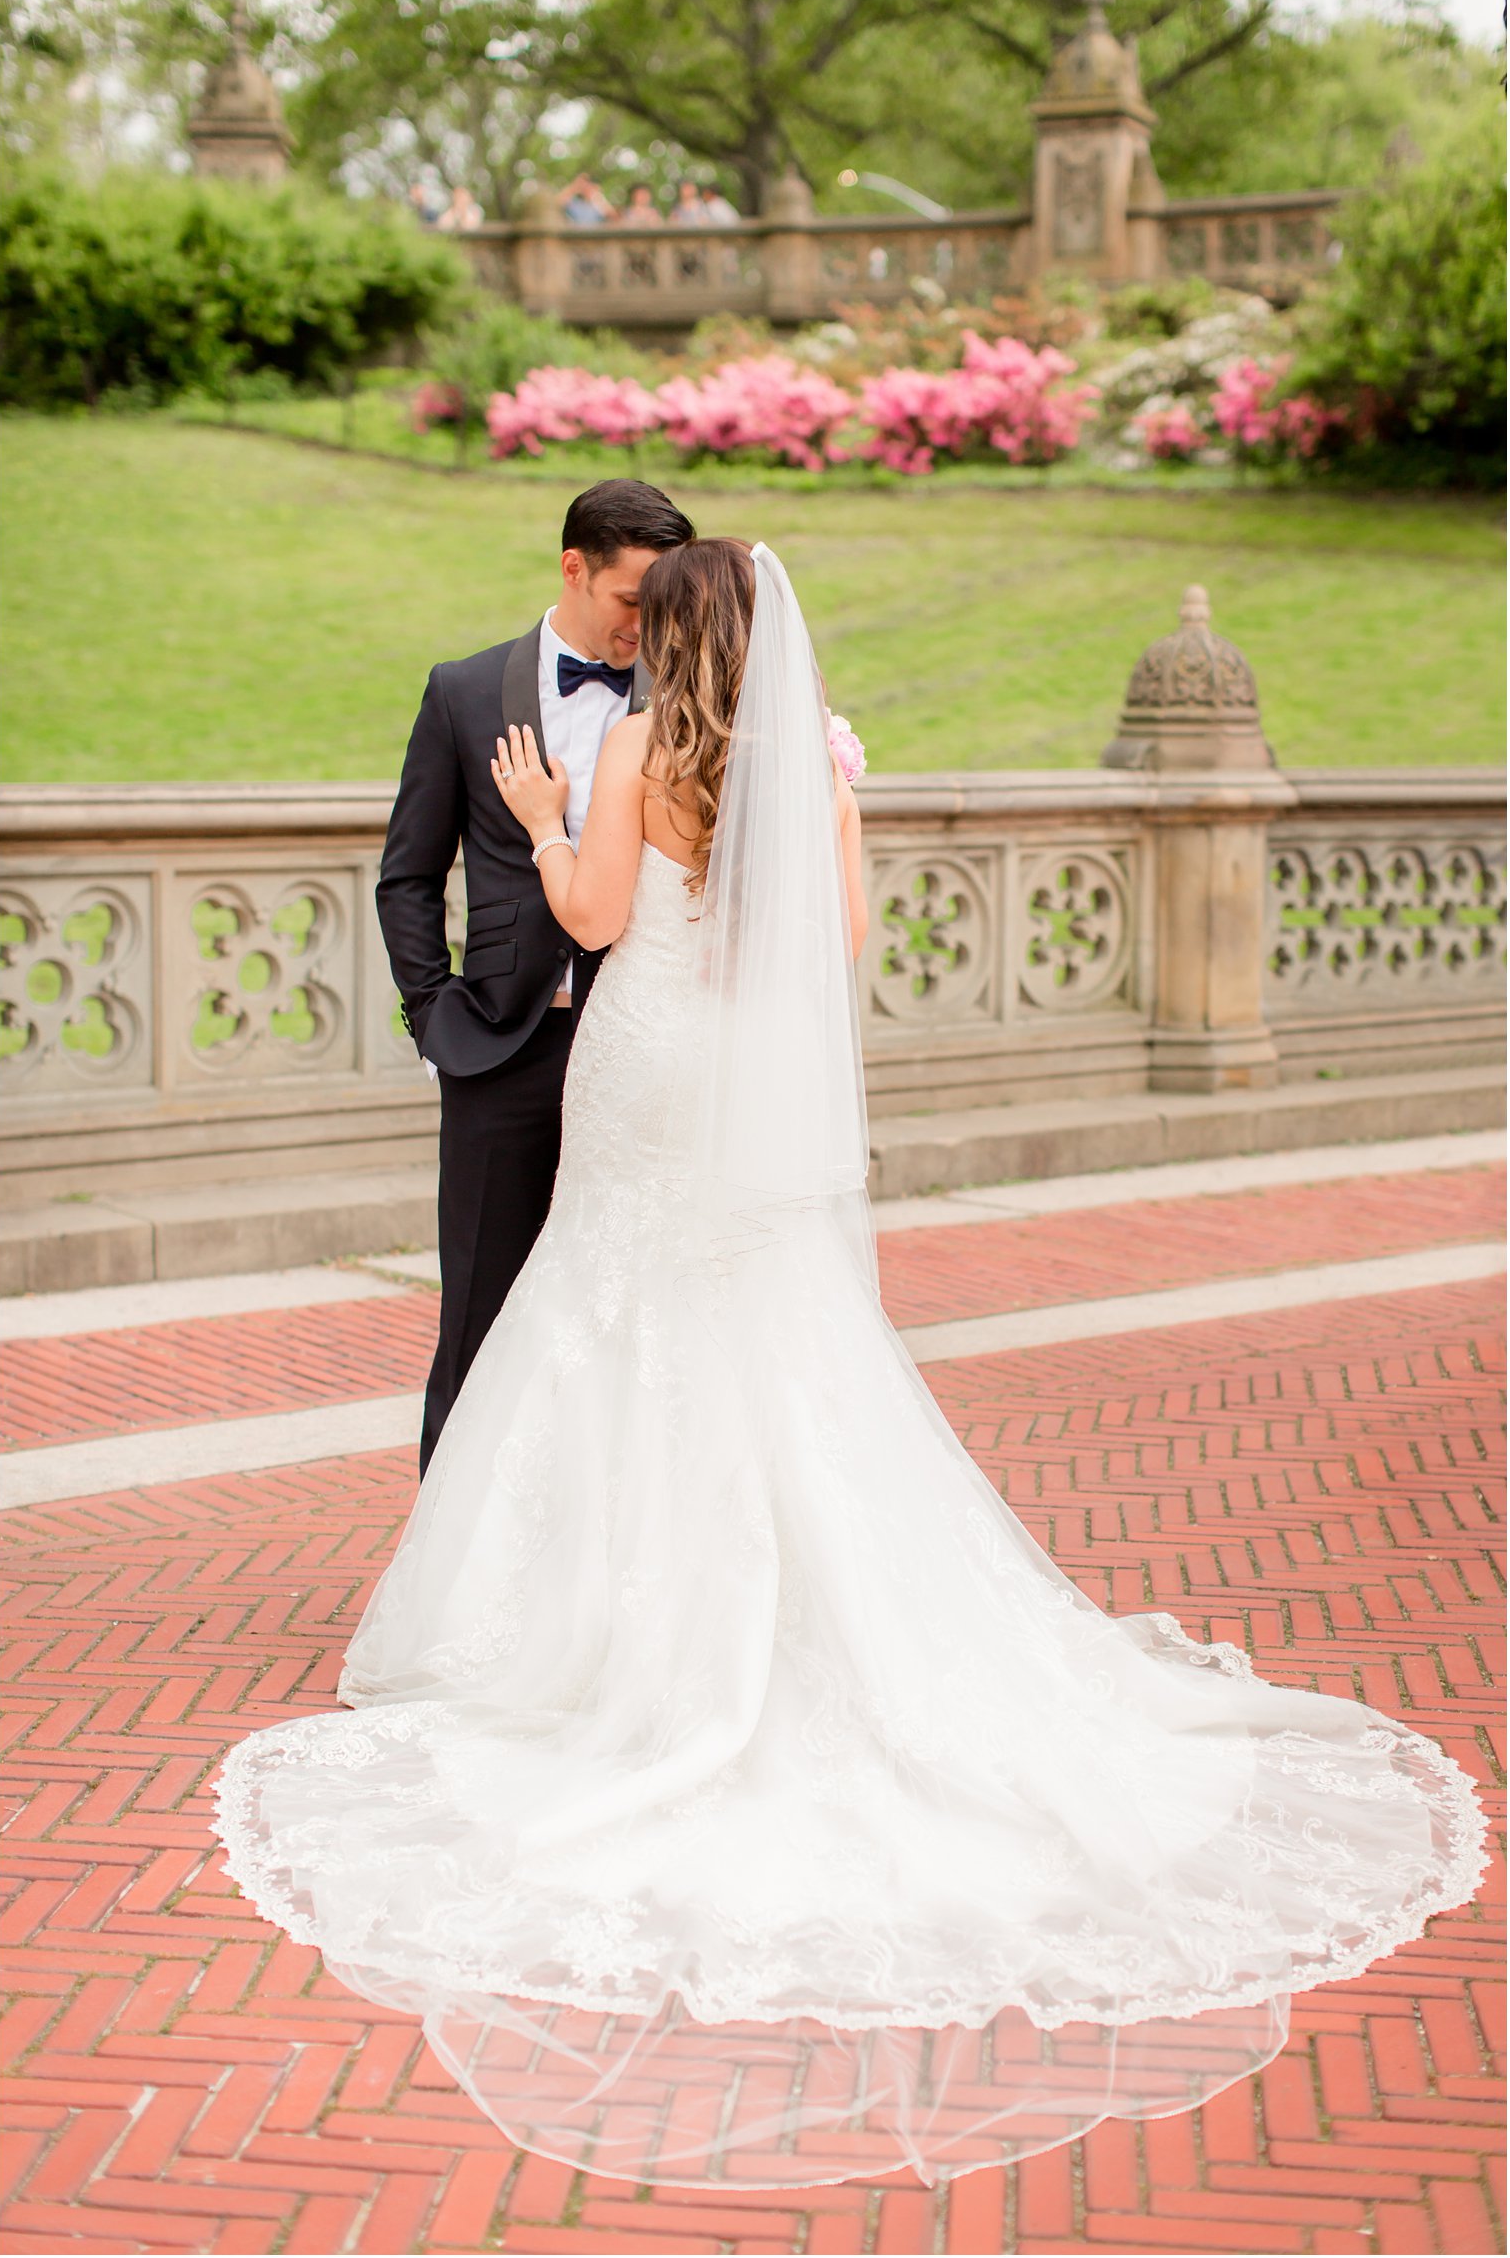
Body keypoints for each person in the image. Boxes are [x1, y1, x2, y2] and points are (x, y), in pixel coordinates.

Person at [214, 542, 1486, 2193]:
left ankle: (590, 1638)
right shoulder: (813, 761)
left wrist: (536, 823)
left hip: (644, 1071)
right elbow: (845, 943)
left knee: (610, 1325)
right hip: (743, 1082)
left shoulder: (627, 753)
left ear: (671, 636)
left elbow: (592, 917)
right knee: (769, 1338)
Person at [372, 479, 694, 1478]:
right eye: (632, 598)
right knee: (479, 1311)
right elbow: (408, 876)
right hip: (503, 1048)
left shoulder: (686, 701)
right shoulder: (464, 691)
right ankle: (447, 1573)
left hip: (641, 1051)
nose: (647, 625)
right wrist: (435, 1020)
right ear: (574, 567)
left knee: (631, 1313)